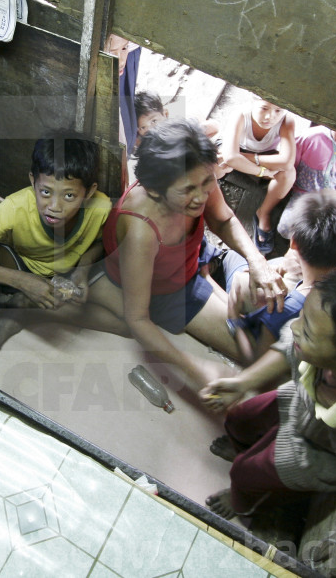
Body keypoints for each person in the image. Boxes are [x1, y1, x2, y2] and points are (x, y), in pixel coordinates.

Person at [201, 266, 336, 578]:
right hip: (301, 404)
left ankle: (241, 501)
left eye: (306, 332)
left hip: (321, 454)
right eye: (302, 318)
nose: (295, 329)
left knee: (246, 474)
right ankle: (245, 446)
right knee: (240, 418)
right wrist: (243, 382)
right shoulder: (316, 340)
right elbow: (286, 351)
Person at [85, 118, 288, 394]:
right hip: (168, 288)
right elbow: (138, 318)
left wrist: (257, 262)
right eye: (187, 191)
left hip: (194, 258)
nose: (201, 196)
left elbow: (224, 220)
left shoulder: (195, 175)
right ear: (155, 190)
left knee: (266, 306)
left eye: (207, 182)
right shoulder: (141, 230)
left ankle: (219, 271)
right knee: (258, 356)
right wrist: (195, 368)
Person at [0, 132, 123, 378]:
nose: (54, 206)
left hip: (68, 271)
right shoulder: (14, 208)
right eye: (45, 192)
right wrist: (22, 281)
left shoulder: (101, 207)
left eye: (69, 195)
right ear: (32, 182)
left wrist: (83, 270)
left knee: (130, 323)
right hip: (20, 265)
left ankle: (26, 312)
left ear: (89, 192)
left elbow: (100, 241)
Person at [215, 188, 336, 369]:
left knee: (233, 260)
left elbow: (256, 364)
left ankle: (211, 274)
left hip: (263, 332)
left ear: (293, 243)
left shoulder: (282, 309)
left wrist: (234, 319)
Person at [216, 93, 298, 255]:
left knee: (289, 173)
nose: (270, 117)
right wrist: (261, 172)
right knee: (216, 163)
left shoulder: (287, 120)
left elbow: (287, 161)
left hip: (259, 156)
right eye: (264, 108)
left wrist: (246, 159)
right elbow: (230, 156)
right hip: (240, 155)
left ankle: (264, 212)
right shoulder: (240, 115)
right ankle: (216, 208)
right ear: (253, 102)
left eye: (278, 111)